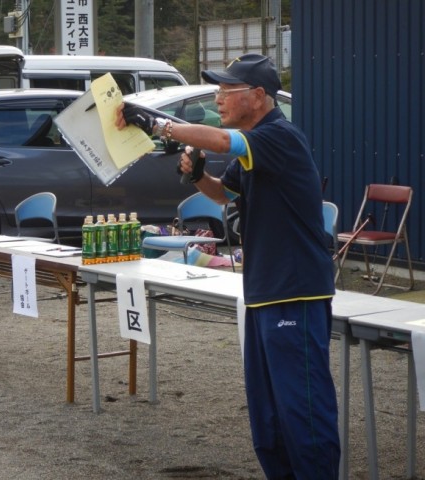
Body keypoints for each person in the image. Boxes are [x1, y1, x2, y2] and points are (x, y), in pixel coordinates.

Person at [115, 53, 340, 479]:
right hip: (263, 291)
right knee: (268, 419)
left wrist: (158, 125)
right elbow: (225, 195)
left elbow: (219, 141)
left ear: (258, 96)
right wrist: (199, 174)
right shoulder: (258, 143)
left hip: (296, 292)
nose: (217, 99)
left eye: (226, 91)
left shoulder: (280, 136)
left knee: (303, 411)